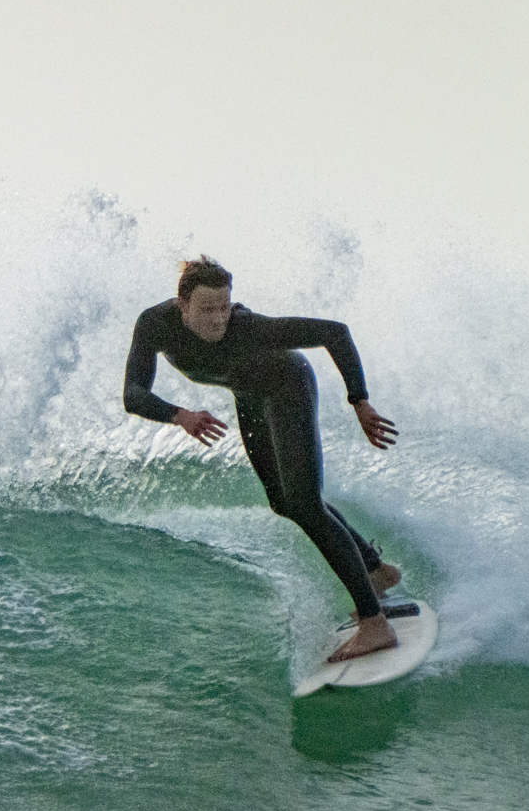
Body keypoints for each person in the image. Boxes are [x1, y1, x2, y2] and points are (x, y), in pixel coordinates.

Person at [123, 256, 402, 663]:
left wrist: (359, 400)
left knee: (305, 503)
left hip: (288, 385)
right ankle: (376, 572)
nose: (219, 319)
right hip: (251, 397)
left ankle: (375, 623)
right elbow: (133, 393)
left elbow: (335, 334)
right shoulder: (154, 325)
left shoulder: (248, 327)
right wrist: (179, 415)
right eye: (207, 309)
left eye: (224, 306)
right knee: (285, 502)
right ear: (182, 306)